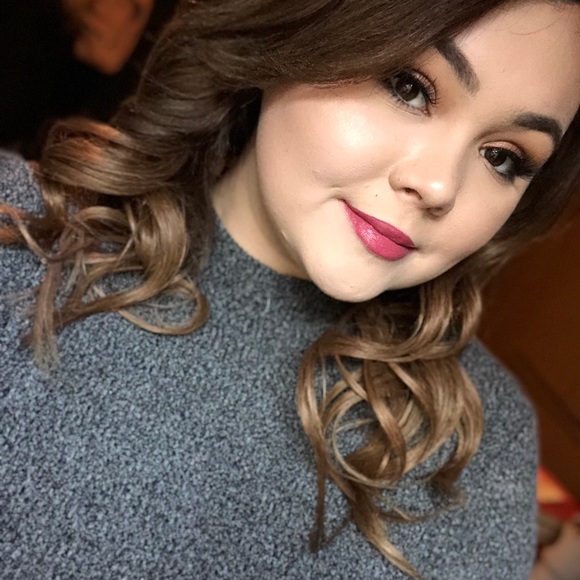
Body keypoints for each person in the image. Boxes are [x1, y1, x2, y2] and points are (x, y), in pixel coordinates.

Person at [1, 0, 578, 577]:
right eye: (408, 87)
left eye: (502, 158)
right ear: (294, 30)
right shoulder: (18, 242)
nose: (438, 185)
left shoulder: (485, 440)